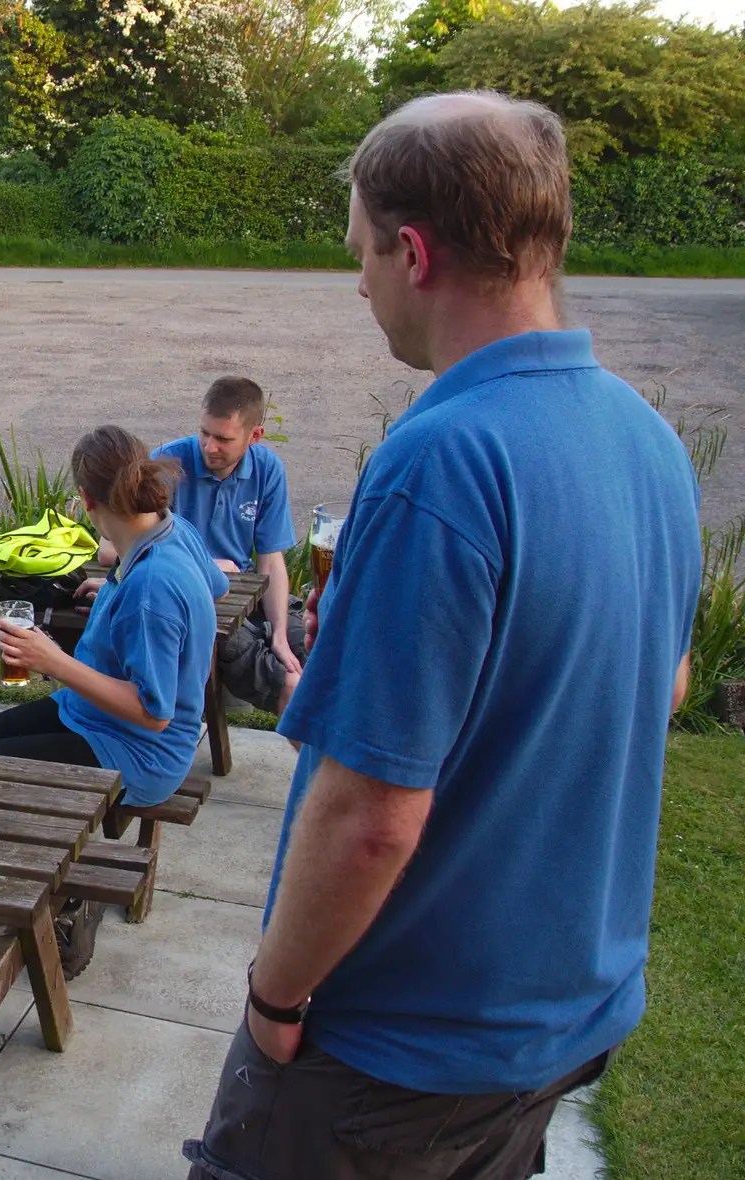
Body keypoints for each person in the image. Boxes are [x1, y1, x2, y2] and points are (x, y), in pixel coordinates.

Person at [183, 92, 701, 1180]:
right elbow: (661, 686)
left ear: (411, 251)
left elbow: (369, 818)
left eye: (359, 254)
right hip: (565, 1014)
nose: (358, 281)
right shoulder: (646, 440)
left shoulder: (442, 460)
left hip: (403, 1052)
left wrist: (275, 997)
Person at [0, 426, 228, 976]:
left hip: (139, 752)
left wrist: (54, 661)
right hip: (91, 718)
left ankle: (61, 899)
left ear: (86, 501)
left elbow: (155, 711)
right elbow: (214, 587)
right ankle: (23, 882)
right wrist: (115, 590)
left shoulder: (153, 587)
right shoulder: (169, 534)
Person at [154, 376, 305, 714]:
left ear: (255, 437)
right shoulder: (167, 463)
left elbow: (271, 561)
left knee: (317, 663)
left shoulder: (267, 470)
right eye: (204, 433)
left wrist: (280, 633)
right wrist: (204, 565)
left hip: (245, 592)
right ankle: (311, 766)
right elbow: (135, 546)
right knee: (291, 686)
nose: (209, 447)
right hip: (194, 601)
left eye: (223, 439)